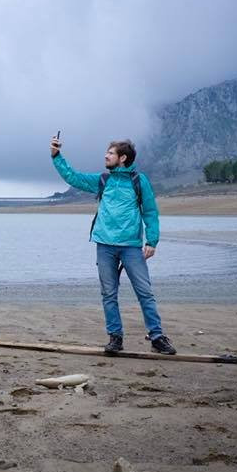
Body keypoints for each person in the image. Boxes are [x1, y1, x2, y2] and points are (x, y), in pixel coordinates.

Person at [50, 135, 176, 355]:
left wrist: (152, 241)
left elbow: (150, 211)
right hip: (105, 246)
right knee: (109, 294)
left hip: (131, 247)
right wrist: (56, 156)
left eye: (110, 153)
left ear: (122, 158)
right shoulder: (103, 180)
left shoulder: (139, 181)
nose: (105, 156)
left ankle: (157, 337)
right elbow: (73, 177)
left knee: (144, 292)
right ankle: (115, 338)